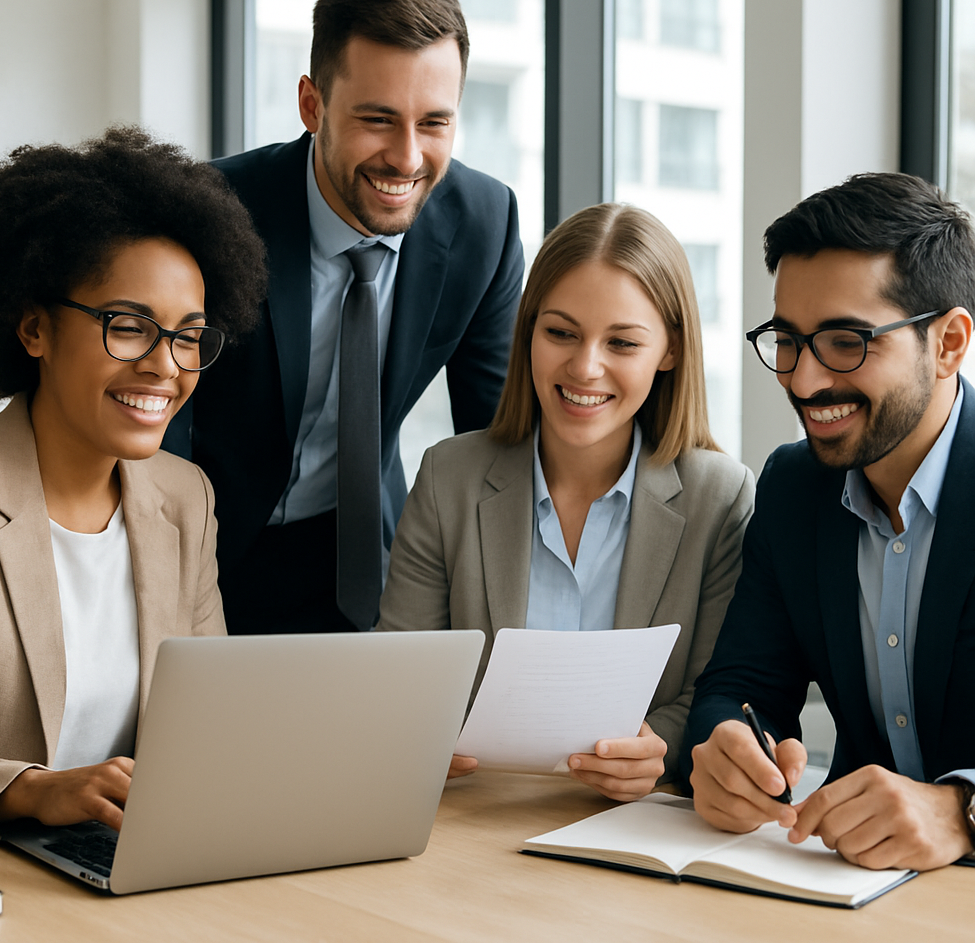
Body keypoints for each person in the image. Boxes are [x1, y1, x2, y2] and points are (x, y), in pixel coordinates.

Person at [163, 0, 523, 636]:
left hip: (363, 558)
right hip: (203, 546)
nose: (407, 158)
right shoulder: (209, 210)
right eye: (378, 119)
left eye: (434, 122)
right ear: (312, 104)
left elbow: (496, 439)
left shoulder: (485, 222)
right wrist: (163, 585)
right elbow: (162, 421)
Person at [0, 127, 268, 849]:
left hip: (128, 864)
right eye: (129, 327)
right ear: (34, 328)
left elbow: (208, 726)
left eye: (188, 336)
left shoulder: (185, 498)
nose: (165, 366)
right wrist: (26, 791)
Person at [378, 203, 754, 801]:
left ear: (671, 351)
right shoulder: (449, 477)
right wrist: (411, 732)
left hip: (632, 825)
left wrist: (657, 744)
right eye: (560, 333)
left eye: (622, 342)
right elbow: (399, 680)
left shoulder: (721, 497)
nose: (585, 367)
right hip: (468, 819)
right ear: (528, 331)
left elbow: (717, 692)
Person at [681, 172, 975, 871]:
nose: (805, 381)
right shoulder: (794, 487)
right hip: (843, 888)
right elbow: (740, 686)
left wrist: (962, 811)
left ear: (948, 343)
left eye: (846, 341)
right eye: (788, 340)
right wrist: (728, 749)